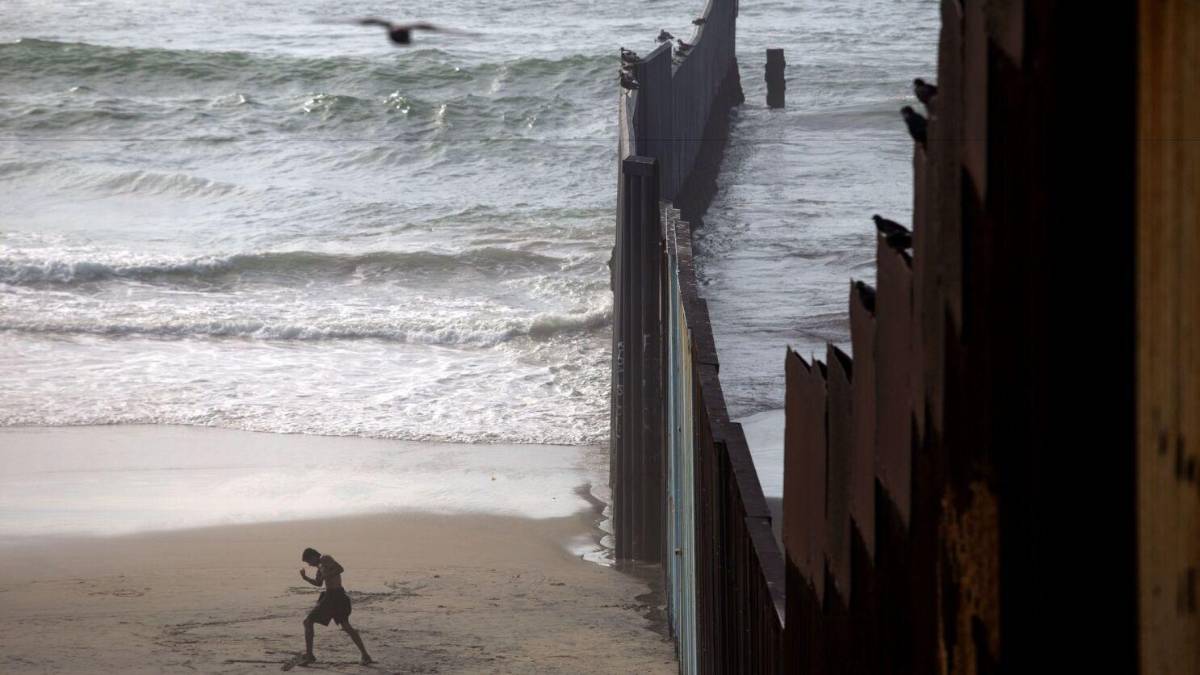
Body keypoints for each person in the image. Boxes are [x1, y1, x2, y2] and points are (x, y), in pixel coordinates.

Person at [298, 547, 373, 666]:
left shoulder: (325, 558)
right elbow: (318, 583)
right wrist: (305, 578)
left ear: (313, 557)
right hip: (330, 596)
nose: (309, 564)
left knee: (308, 622)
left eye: (308, 561)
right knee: (346, 626)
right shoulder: (319, 568)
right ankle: (365, 655)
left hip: (336, 596)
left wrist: (326, 575)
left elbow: (340, 569)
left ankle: (309, 656)